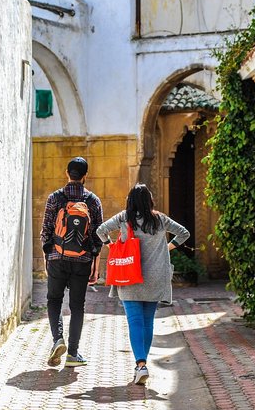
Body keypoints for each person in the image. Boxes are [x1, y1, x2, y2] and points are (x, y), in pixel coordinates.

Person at [96, 183, 189, 385]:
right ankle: (142, 365)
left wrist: (112, 246)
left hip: (129, 276)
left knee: (135, 322)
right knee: (148, 322)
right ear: (149, 200)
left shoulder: (123, 218)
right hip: (155, 278)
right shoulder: (160, 219)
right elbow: (184, 233)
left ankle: (141, 365)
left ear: (130, 201)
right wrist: (167, 247)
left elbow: (101, 230)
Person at [41, 156, 103, 368]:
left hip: (57, 257)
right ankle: (73, 354)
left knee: (54, 300)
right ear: (86, 176)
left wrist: (47, 258)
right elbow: (97, 236)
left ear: (67, 173)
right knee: (77, 306)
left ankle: (58, 339)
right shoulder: (92, 200)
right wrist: (96, 266)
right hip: (82, 260)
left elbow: (46, 232)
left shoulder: (55, 198)